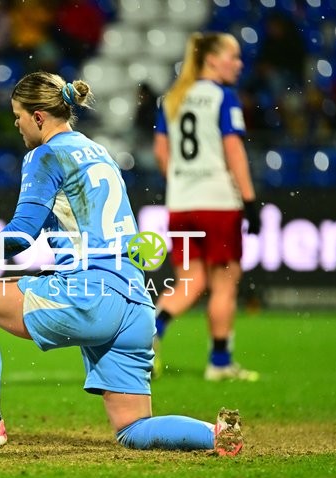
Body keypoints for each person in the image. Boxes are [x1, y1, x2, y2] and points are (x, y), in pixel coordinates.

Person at [0, 71, 243, 455]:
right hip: (134, 303)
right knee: (133, 428)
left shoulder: (45, 155)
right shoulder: (98, 152)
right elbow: (63, 218)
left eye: (19, 114)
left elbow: (21, 235)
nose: (16, 123)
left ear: (39, 117)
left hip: (89, 296)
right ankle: (217, 435)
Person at [151, 32, 261, 382]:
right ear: (212, 60)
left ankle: (148, 335)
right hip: (218, 204)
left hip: (181, 205)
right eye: (234, 56)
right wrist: (249, 198)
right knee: (225, 283)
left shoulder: (171, 99)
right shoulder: (223, 97)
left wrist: (183, 183)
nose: (239, 63)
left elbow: (161, 151)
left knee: (190, 279)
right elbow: (233, 149)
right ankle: (220, 362)